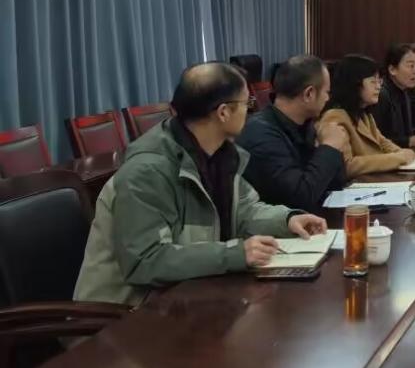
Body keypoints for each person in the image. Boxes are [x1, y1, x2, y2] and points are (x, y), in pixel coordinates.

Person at [75, 63, 326, 306]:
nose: (250, 111)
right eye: (246, 104)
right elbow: (146, 261)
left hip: (184, 298)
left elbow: (245, 211)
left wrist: (286, 220)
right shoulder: (147, 171)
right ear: (224, 112)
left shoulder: (221, 155)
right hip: (127, 313)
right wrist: (234, 254)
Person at [239, 55, 350, 212]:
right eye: (326, 92)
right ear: (309, 94)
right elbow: (299, 198)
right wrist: (329, 147)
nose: (327, 98)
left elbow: (336, 184)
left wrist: (331, 148)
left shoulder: (305, 124)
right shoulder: (260, 133)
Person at [318, 54, 415, 177]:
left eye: (379, 81)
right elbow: (347, 166)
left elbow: (383, 143)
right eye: (373, 81)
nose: (378, 86)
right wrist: (398, 158)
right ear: (354, 84)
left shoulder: (364, 114)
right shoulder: (335, 117)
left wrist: (403, 153)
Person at [372, 43, 415, 150]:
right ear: (392, 69)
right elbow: (376, 140)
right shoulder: (381, 95)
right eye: (411, 66)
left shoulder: (404, 91)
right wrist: (409, 141)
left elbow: (401, 131)